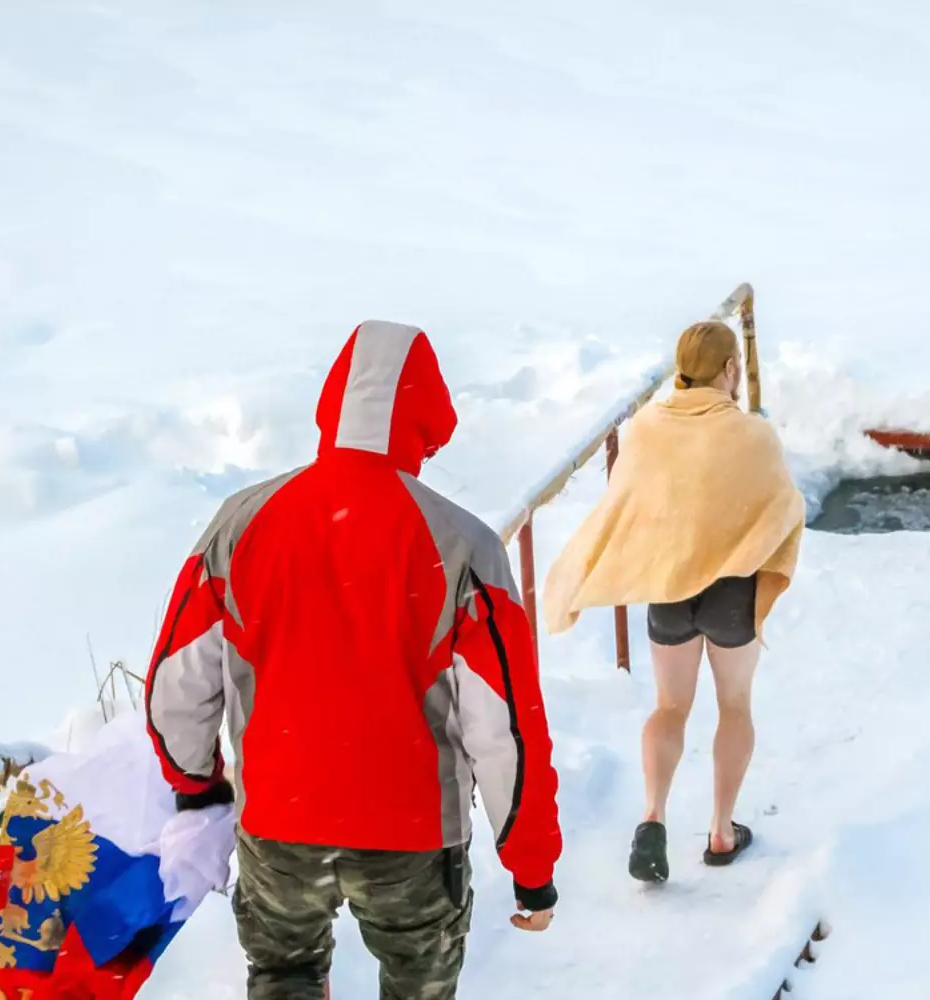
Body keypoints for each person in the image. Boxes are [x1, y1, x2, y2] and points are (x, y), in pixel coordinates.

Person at [144, 321, 561, 1000]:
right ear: (428, 420)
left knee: (284, 976)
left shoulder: (241, 522)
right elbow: (501, 726)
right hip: (415, 837)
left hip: (279, 824)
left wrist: (196, 783)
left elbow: (177, 683)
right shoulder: (465, 546)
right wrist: (531, 860)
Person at [541, 320, 803, 884]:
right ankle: (721, 831)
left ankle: (653, 817)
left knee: (669, 707)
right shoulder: (752, 434)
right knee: (734, 704)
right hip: (731, 587)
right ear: (731, 369)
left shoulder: (648, 429)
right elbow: (783, 507)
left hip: (668, 587)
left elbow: (628, 503)